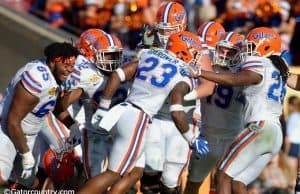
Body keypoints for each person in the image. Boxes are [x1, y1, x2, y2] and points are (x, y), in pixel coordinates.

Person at [78, 31, 213, 194]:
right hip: (138, 118)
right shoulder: (184, 74)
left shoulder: (148, 52)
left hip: (119, 111)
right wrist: (192, 139)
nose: (196, 58)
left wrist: (103, 106)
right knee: (113, 174)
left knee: (136, 171)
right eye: (194, 53)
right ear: (183, 51)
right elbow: (177, 112)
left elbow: (117, 74)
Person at [181, 27, 289, 194]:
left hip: (249, 130)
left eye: (250, 47)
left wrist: (201, 72)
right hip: (269, 132)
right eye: (222, 49)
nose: (225, 54)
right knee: (236, 183)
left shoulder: (256, 65)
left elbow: (233, 80)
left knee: (223, 176)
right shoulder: (277, 69)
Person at [53, 28, 128, 180]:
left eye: (115, 55)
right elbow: (59, 105)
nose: (112, 60)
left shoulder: (126, 67)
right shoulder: (84, 71)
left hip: (116, 129)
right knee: (75, 170)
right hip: (85, 126)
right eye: (107, 56)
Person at [0, 42, 78, 188]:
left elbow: (51, 107)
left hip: (28, 134)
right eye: (66, 66)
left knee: (25, 186)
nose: (69, 70)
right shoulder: (37, 79)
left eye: (72, 66)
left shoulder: (54, 75)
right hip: (7, 130)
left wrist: (73, 126)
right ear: (53, 61)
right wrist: (25, 153)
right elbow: (12, 121)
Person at [184, 32, 246, 194]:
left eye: (230, 51)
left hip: (233, 137)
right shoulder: (207, 65)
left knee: (232, 183)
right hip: (207, 136)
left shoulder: (244, 74)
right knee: (193, 182)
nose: (224, 54)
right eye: (222, 49)